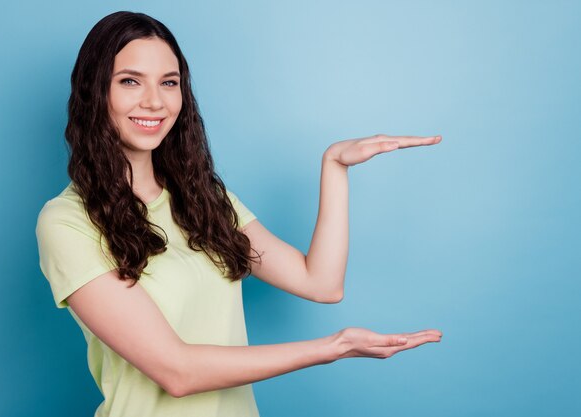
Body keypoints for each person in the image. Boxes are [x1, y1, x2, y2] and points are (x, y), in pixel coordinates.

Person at [35, 10, 443, 417]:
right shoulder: (67, 222)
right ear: (93, 91)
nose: (155, 101)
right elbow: (175, 371)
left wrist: (335, 166)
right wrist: (331, 348)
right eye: (130, 81)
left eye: (169, 83)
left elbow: (321, 283)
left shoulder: (202, 199)